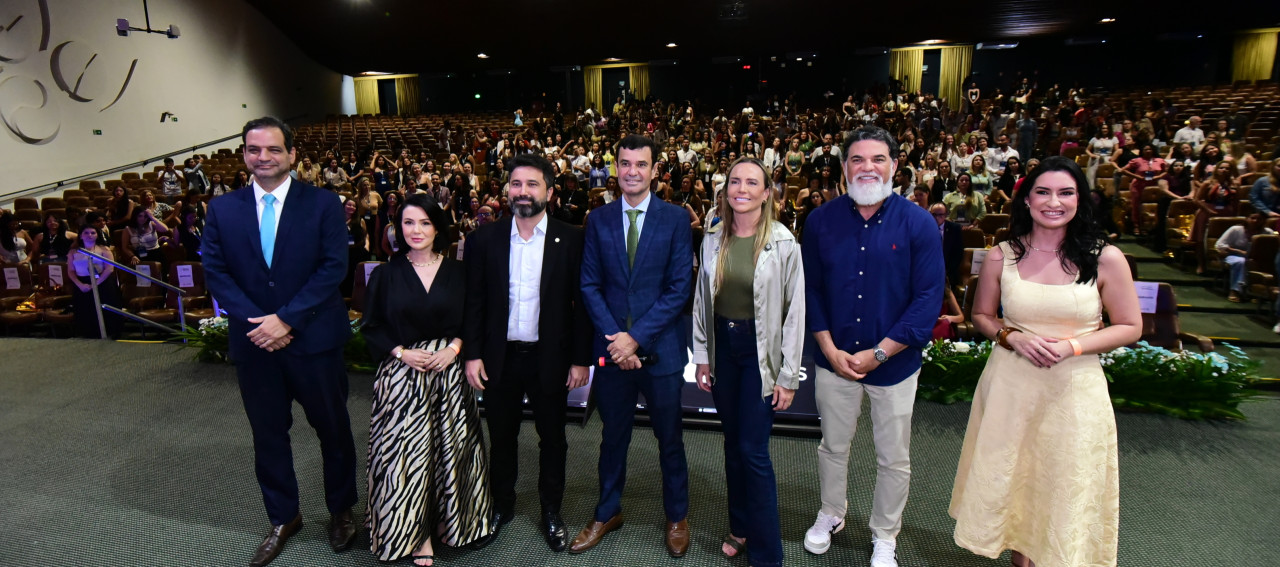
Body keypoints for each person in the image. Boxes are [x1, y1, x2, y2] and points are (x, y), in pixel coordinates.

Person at [950, 156, 1142, 567]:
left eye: (1066, 192)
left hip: (1074, 390)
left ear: (1080, 199)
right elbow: (981, 316)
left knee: (1061, 482)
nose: (1054, 202)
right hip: (1011, 385)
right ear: (1027, 199)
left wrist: (1073, 346)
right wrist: (1012, 337)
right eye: (1043, 192)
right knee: (1016, 481)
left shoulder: (1106, 257)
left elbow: (1130, 326)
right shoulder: (1001, 255)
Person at [201, 117, 359, 567]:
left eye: (273, 149)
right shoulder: (223, 209)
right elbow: (216, 272)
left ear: (291, 154)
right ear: (244, 155)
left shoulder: (323, 203)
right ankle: (283, 517)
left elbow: (333, 268)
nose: (263, 157)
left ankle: (342, 510)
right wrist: (261, 323)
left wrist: (286, 319)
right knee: (268, 434)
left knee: (333, 429)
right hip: (256, 343)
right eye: (254, 149)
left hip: (314, 339)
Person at [801, 125, 943, 567]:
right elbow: (811, 291)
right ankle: (832, 512)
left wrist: (880, 352)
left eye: (878, 159)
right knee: (832, 446)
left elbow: (928, 299)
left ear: (895, 166)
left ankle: (885, 534)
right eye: (857, 159)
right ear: (844, 167)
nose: (868, 167)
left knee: (893, 457)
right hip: (835, 361)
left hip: (894, 365)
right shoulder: (820, 220)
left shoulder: (918, 222)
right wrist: (829, 350)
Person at [461, 154, 594, 553]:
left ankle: (551, 510)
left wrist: (581, 359)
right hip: (498, 358)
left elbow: (583, 305)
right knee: (501, 437)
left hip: (550, 358)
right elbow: (474, 302)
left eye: (532, 184)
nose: (522, 191)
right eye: (516, 184)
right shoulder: (484, 239)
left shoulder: (573, 239)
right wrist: (472, 354)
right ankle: (501, 505)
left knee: (553, 439)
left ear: (549, 192)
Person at [571, 134, 694, 557]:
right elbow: (589, 285)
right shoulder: (598, 219)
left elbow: (679, 289)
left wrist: (635, 338)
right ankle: (607, 511)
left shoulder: (676, 219)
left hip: (661, 353)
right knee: (613, 437)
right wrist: (616, 341)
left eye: (641, 164)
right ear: (615, 168)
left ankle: (677, 515)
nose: (632, 171)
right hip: (611, 352)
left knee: (670, 439)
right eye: (625, 163)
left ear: (655, 170)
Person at [359, 193, 491, 566]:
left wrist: (454, 348)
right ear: (397, 228)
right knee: (404, 455)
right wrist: (401, 353)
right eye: (408, 222)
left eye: (425, 222)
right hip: (403, 376)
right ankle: (415, 535)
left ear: (437, 228)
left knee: (451, 451)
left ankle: (453, 523)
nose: (416, 230)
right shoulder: (385, 274)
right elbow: (371, 326)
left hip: (449, 374)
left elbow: (473, 319)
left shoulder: (459, 272)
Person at [691, 158, 804, 567]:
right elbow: (702, 301)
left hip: (761, 354)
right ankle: (739, 527)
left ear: (767, 192)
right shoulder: (712, 237)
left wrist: (788, 375)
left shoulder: (784, 242)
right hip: (723, 349)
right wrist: (702, 355)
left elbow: (795, 313)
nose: (741, 189)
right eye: (735, 181)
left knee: (753, 451)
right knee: (732, 443)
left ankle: (766, 553)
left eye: (751, 182)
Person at [65, 224, 123, 338]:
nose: (90, 235)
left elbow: (109, 268)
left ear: (97, 235)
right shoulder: (73, 252)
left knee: (106, 309)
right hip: (82, 283)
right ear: (81, 236)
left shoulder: (104, 249)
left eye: (93, 233)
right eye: (86, 233)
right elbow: (71, 271)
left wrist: (95, 284)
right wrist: (80, 285)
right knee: (85, 309)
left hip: (102, 281)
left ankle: (110, 333)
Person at [1217, 212, 1273, 303]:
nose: (1255, 221)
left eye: (1259, 219)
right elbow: (1220, 245)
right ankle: (1235, 291)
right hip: (1233, 255)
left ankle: (1257, 293)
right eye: (1253, 218)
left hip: (1255, 258)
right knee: (1241, 262)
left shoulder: (1268, 232)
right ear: (1247, 219)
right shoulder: (1236, 229)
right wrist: (1238, 251)